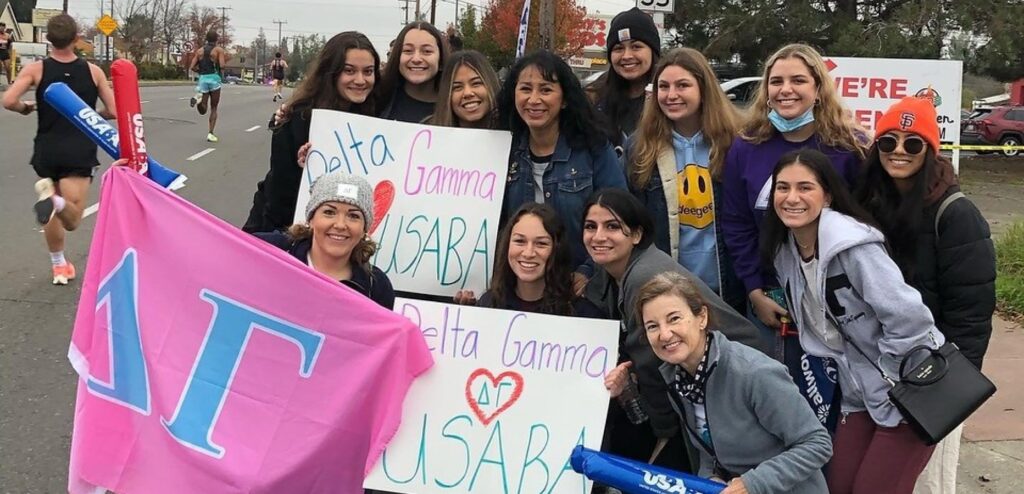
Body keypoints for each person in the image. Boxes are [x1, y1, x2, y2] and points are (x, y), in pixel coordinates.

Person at [762, 149, 943, 494]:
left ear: (827, 195)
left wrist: (892, 378)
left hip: (910, 392)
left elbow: (910, 319)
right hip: (857, 396)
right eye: (782, 188)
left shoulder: (854, 247)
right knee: (835, 486)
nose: (792, 198)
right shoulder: (786, 252)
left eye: (805, 188)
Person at [854, 97, 996, 494]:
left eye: (913, 143)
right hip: (875, 371)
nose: (899, 151)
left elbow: (972, 312)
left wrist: (947, 394)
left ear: (930, 149)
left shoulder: (956, 214)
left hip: (936, 375)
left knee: (929, 485)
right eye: (888, 142)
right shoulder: (865, 202)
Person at [719, 43, 865, 429]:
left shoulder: (850, 149)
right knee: (774, 403)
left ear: (818, 88)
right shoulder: (746, 147)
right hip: (770, 302)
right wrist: (755, 290)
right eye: (776, 81)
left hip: (836, 303)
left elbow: (865, 225)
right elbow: (735, 223)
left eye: (798, 80)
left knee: (835, 407)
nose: (786, 89)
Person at [581, 188, 762, 472]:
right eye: (591, 227)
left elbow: (652, 367)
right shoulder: (610, 274)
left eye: (613, 226)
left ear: (637, 235)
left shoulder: (643, 276)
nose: (599, 236)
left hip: (732, 383)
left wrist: (664, 435)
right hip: (695, 386)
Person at [608, 271, 831, 493]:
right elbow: (709, 450)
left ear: (702, 317)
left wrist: (749, 484)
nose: (664, 334)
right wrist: (710, 477)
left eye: (674, 318)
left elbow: (816, 443)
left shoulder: (754, 372)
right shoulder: (678, 378)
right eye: (652, 326)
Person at [625, 47, 744, 313]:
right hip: (668, 291)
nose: (671, 95)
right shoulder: (640, 149)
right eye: (663, 87)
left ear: (704, 89)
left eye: (683, 85)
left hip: (730, 291)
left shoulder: (736, 142)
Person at [2, 14, 116, 286]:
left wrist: (24, 108)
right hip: (78, 149)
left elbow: (8, 100)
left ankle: (59, 266)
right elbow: (113, 109)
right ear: (77, 38)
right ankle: (54, 201)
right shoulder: (93, 72)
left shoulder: (36, 69)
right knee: (72, 218)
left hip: (47, 149)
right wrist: (90, 116)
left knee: (52, 203)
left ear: (47, 39)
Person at [497, 50, 627, 280]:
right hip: (519, 286)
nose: (534, 99)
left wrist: (587, 273)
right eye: (526, 89)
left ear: (565, 99)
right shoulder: (503, 151)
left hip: (583, 289)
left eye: (546, 89)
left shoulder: (594, 149)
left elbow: (620, 219)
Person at [243, 31, 381, 235]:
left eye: (368, 71)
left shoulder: (376, 116)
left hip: (339, 238)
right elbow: (279, 191)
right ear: (330, 72)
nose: (360, 80)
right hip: (284, 230)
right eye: (349, 71)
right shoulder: (297, 118)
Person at [255, 171, 394, 309]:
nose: (340, 225)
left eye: (353, 216)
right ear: (311, 219)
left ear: (364, 228)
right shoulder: (269, 250)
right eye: (329, 212)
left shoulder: (376, 287)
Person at [457, 203, 604, 317]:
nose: (528, 253)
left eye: (541, 243)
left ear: (557, 249)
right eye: (520, 241)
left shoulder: (584, 314)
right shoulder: (488, 304)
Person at [589, 7, 660, 146]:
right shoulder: (594, 99)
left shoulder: (669, 99)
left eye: (636, 47)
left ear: (653, 52)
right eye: (619, 48)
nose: (627, 56)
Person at [378, 21, 448, 123]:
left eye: (427, 51)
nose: (416, 59)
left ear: (440, 59)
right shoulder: (378, 100)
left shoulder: (456, 107)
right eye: (408, 50)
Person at [429, 50, 501, 129]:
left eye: (476, 83)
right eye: (457, 87)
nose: (467, 93)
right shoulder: (427, 132)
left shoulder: (513, 132)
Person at [188, 30, 228, 142]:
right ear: (216, 39)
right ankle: (210, 133)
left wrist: (200, 70)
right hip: (214, 79)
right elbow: (222, 65)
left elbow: (192, 67)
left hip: (203, 79)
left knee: (203, 109)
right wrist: (221, 71)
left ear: (206, 38)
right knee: (214, 107)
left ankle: (199, 101)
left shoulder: (199, 51)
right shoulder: (218, 50)